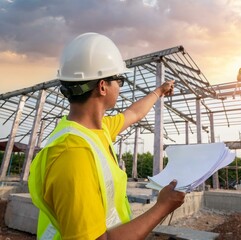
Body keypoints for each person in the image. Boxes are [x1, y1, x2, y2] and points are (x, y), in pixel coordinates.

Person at [28, 32, 185, 240]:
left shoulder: (97, 130)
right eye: (119, 80)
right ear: (103, 86)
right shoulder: (73, 154)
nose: (120, 87)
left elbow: (134, 113)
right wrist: (162, 207)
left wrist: (160, 91)